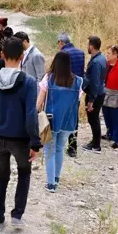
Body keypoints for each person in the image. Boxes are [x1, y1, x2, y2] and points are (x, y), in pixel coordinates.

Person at [0, 37, 41, 230]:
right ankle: (17, 216)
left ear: (2, 55)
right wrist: (35, 143)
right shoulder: (29, 82)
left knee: (2, 176)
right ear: (22, 56)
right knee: (24, 173)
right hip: (20, 140)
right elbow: (31, 114)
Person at [36, 52, 83, 193]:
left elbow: (39, 103)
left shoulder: (48, 78)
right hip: (69, 121)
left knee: (49, 150)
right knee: (60, 148)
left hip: (48, 121)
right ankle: (56, 179)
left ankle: (50, 184)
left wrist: (32, 116)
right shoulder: (78, 81)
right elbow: (77, 102)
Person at [57, 32, 85, 157]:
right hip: (76, 91)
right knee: (74, 118)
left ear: (61, 42)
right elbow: (81, 74)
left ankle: (58, 143)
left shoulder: (62, 54)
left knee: (60, 117)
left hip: (63, 90)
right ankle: (73, 147)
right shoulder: (81, 53)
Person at [82, 36, 107, 154]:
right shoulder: (101, 58)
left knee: (93, 119)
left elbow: (95, 82)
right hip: (100, 92)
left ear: (91, 46)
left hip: (95, 95)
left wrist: (91, 100)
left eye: (88, 45)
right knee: (94, 119)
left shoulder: (96, 62)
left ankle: (96, 145)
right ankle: (94, 142)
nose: (88, 47)